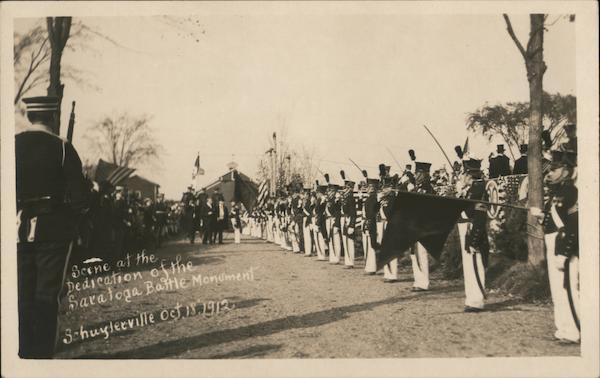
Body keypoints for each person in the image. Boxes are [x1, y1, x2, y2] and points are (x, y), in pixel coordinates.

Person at [16, 96, 89, 358]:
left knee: (21, 294)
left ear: (29, 116)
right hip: (53, 229)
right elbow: (81, 198)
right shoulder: (62, 147)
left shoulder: (12, 144)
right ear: (52, 118)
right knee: (47, 296)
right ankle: (42, 357)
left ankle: (22, 353)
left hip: (17, 228)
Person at [532, 149, 579, 343]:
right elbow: (553, 221)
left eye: (555, 168)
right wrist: (543, 217)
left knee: (568, 288)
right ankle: (563, 328)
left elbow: (575, 224)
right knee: (557, 289)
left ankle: (575, 330)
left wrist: (564, 252)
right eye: (549, 169)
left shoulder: (571, 192)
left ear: (567, 171)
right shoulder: (558, 192)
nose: (549, 173)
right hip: (553, 243)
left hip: (564, 247)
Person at [456, 158, 489, 312]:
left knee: (475, 264)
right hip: (465, 227)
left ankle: (477, 300)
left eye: (465, 173)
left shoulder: (479, 189)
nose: (463, 176)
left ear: (470, 174)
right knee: (469, 266)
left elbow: (480, 215)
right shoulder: (469, 189)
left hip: (473, 229)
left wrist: (475, 238)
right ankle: (471, 299)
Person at [409, 161, 434, 291]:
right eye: (416, 173)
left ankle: (424, 282)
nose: (416, 175)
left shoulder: (428, 189)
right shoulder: (415, 189)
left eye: (418, 173)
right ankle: (418, 280)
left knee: (421, 254)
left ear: (424, 174)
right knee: (414, 253)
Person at [362, 176, 379, 275]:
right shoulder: (370, 198)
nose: (367, 188)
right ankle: (370, 267)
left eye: (369, 186)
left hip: (372, 222)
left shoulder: (372, 198)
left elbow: (372, 213)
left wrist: (368, 222)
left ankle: (371, 268)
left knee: (371, 246)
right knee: (369, 245)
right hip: (369, 222)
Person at [340, 171, 357, 268]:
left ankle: (350, 262)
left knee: (349, 242)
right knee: (346, 241)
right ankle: (348, 261)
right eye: (344, 188)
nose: (344, 189)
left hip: (349, 220)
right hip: (346, 219)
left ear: (350, 189)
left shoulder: (350, 198)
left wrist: (352, 225)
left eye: (346, 188)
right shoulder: (346, 198)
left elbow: (353, 213)